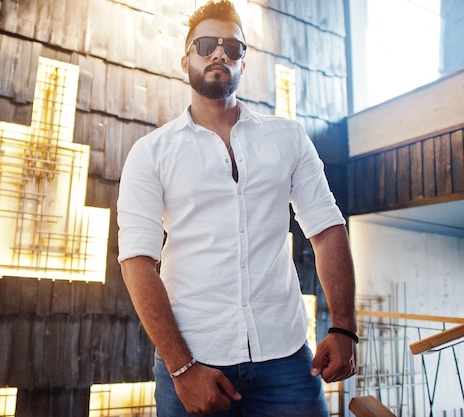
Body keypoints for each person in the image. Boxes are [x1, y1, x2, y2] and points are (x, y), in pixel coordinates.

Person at [116, 1, 357, 415]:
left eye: (232, 47)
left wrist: (344, 327)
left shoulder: (289, 138)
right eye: (206, 44)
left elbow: (327, 230)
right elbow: (137, 261)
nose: (219, 54)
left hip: (286, 362)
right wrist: (182, 368)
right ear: (185, 58)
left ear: (244, 62)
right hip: (193, 361)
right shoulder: (150, 153)